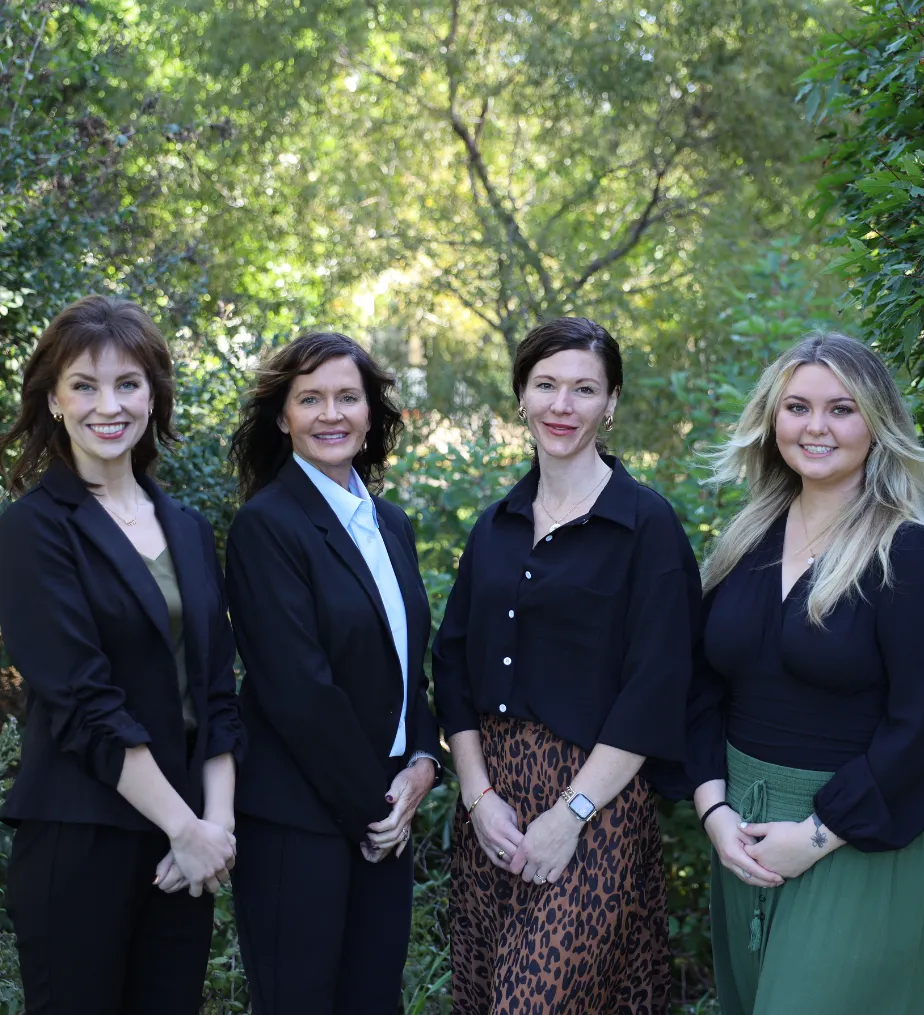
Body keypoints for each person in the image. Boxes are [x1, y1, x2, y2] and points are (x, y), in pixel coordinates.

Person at [432, 316, 702, 1014]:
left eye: (583, 388)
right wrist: (477, 795)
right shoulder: (494, 525)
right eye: (545, 385)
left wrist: (571, 812)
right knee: (483, 992)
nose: (562, 405)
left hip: (593, 802)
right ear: (519, 396)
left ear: (610, 402)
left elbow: (657, 682)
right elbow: (453, 662)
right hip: (491, 804)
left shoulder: (646, 526)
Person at [687, 332, 924, 1014]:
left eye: (840, 408)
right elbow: (702, 689)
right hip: (741, 830)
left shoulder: (909, 554)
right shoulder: (744, 541)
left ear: (877, 422)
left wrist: (816, 834)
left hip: (857, 834)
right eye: (797, 407)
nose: (816, 427)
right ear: (772, 421)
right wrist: (713, 809)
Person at [0, 295, 242, 1015]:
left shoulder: (189, 528)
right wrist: (185, 825)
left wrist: (215, 829)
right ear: (54, 398)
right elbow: (84, 700)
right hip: (83, 836)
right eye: (85, 384)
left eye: (128, 383)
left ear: (153, 394)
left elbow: (218, 692)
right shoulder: (34, 528)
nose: (109, 405)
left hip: (185, 845)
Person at [226, 331, 441, 1015]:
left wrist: (423, 760)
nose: (331, 413)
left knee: (372, 1002)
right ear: (282, 415)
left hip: (384, 812)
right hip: (300, 821)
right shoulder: (266, 525)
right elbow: (298, 690)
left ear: (372, 412)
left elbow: (411, 664)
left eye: (347, 396)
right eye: (309, 398)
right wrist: (376, 806)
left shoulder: (392, 524)